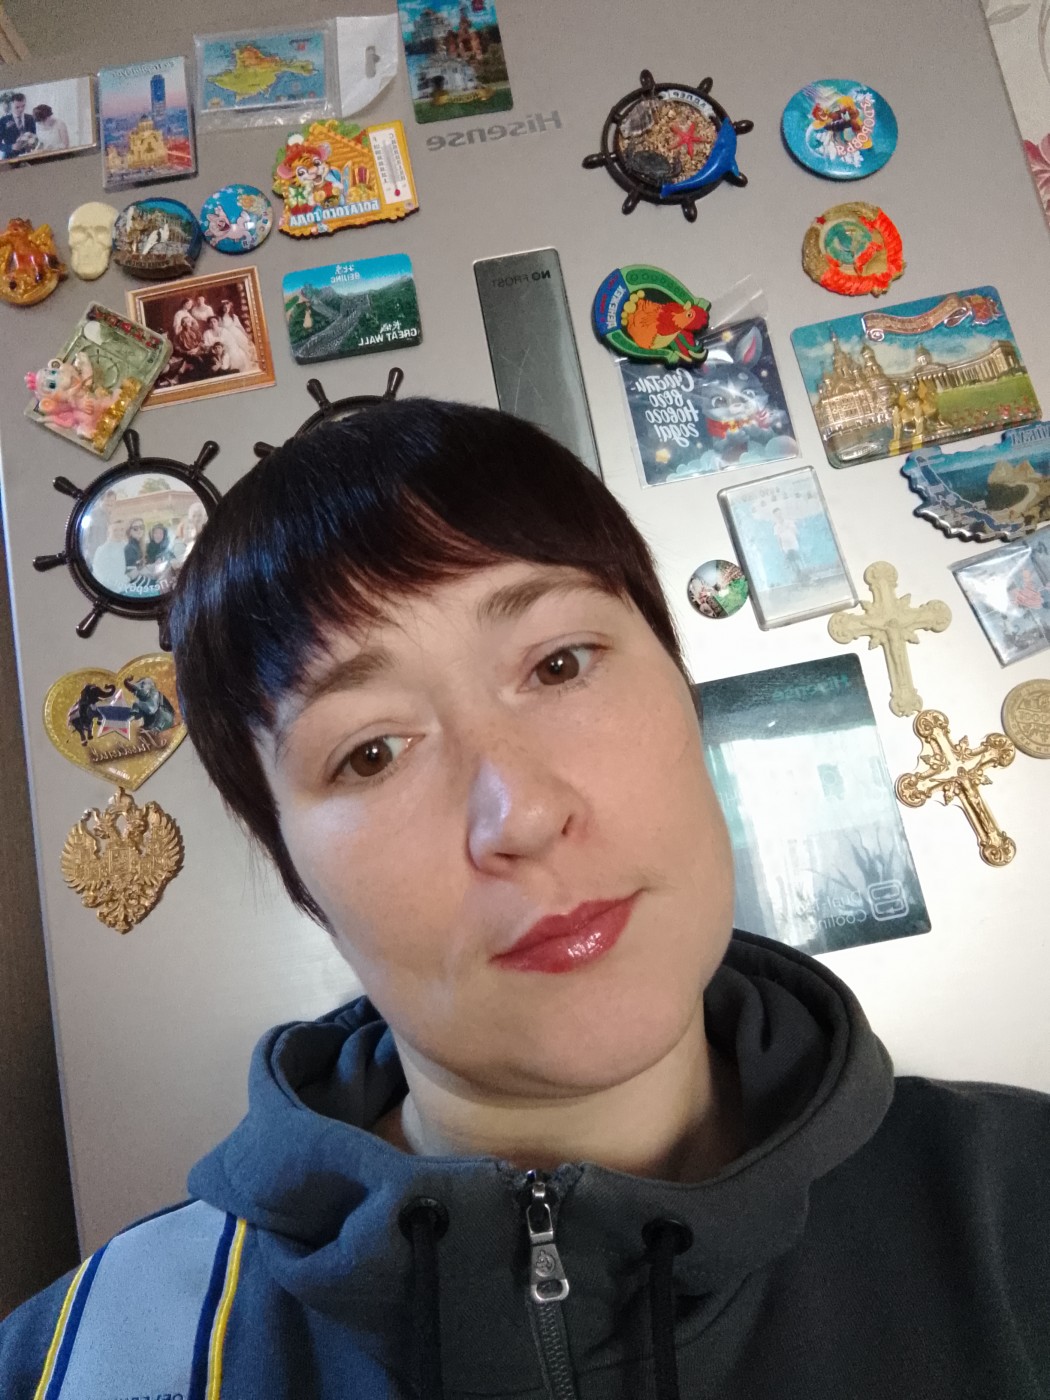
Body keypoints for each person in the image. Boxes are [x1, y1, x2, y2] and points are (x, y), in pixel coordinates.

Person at [1, 400, 1048, 1399]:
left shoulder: (1019, 1204)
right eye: (371, 752)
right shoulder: (81, 1361)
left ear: (684, 688)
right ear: (294, 870)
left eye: (559, 664)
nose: (523, 813)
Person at [0, 92, 35, 157]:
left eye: (23, 106)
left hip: (29, 155)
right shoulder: (3, 120)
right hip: (10, 157)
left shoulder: (31, 118)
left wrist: (33, 143)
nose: (21, 109)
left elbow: (36, 136)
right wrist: (11, 147)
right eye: (17, 107)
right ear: (11, 104)